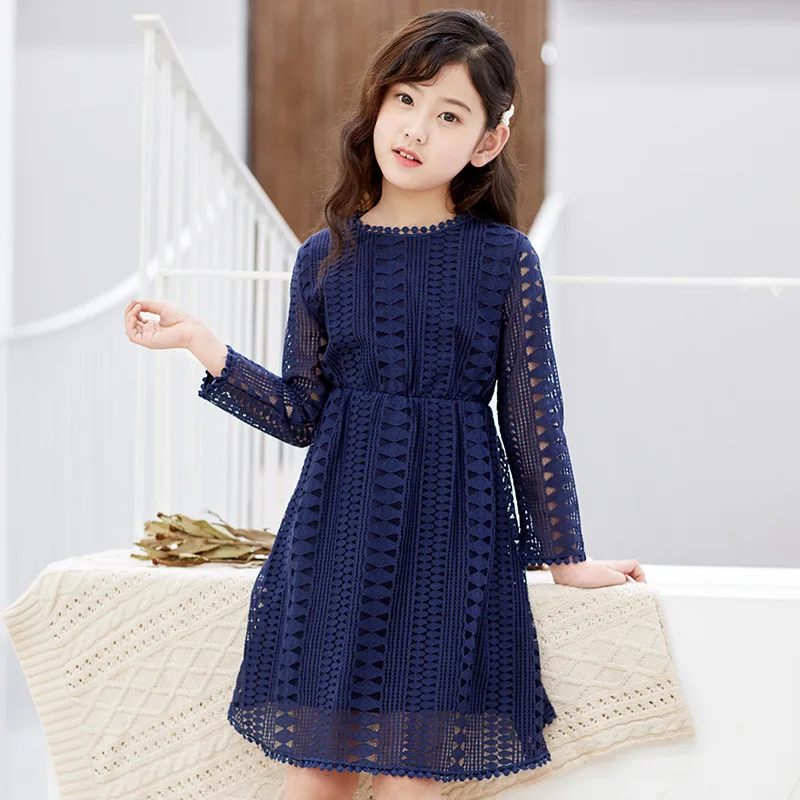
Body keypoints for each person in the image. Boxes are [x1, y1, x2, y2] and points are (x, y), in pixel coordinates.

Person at [124, 9, 646, 800]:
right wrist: (204, 346)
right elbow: (301, 415)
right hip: (333, 540)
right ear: (377, 102)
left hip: (453, 543)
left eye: (449, 115)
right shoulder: (323, 258)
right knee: (316, 777)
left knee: (412, 783)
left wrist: (565, 557)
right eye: (405, 99)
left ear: (488, 142)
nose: (416, 128)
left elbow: (533, 418)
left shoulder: (504, 260)